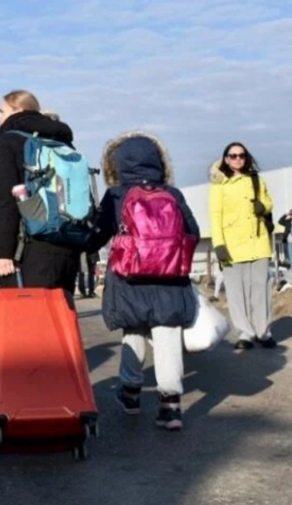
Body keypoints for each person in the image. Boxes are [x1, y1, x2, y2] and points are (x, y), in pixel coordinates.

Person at [91, 131, 198, 431]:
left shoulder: (116, 194)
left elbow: (98, 234)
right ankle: (170, 406)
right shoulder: (172, 194)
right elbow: (193, 232)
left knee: (134, 332)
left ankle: (131, 394)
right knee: (166, 336)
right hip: (169, 279)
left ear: (120, 164)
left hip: (129, 278)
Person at [0, 89, 80, 291]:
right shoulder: (62, 140)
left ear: (18, 110)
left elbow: (6, 200)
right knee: (60, 318)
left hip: (29, 248)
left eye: (1, 111)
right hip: (67, 244)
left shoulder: (8, 141)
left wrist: (3, 252)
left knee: (26, 318)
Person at [209, 142, 276, 351]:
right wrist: (219, 244)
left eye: (241, 155)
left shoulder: (257, 179)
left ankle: (263, 331)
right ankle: (245, 333)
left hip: (258, 242)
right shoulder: (219, 186)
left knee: (261, 290)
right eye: (233, 155)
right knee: (236, 292)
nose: (237, 159)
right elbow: (215, 216)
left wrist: (262, 206)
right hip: (232, 245)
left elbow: (269, 202)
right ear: (226, 158)